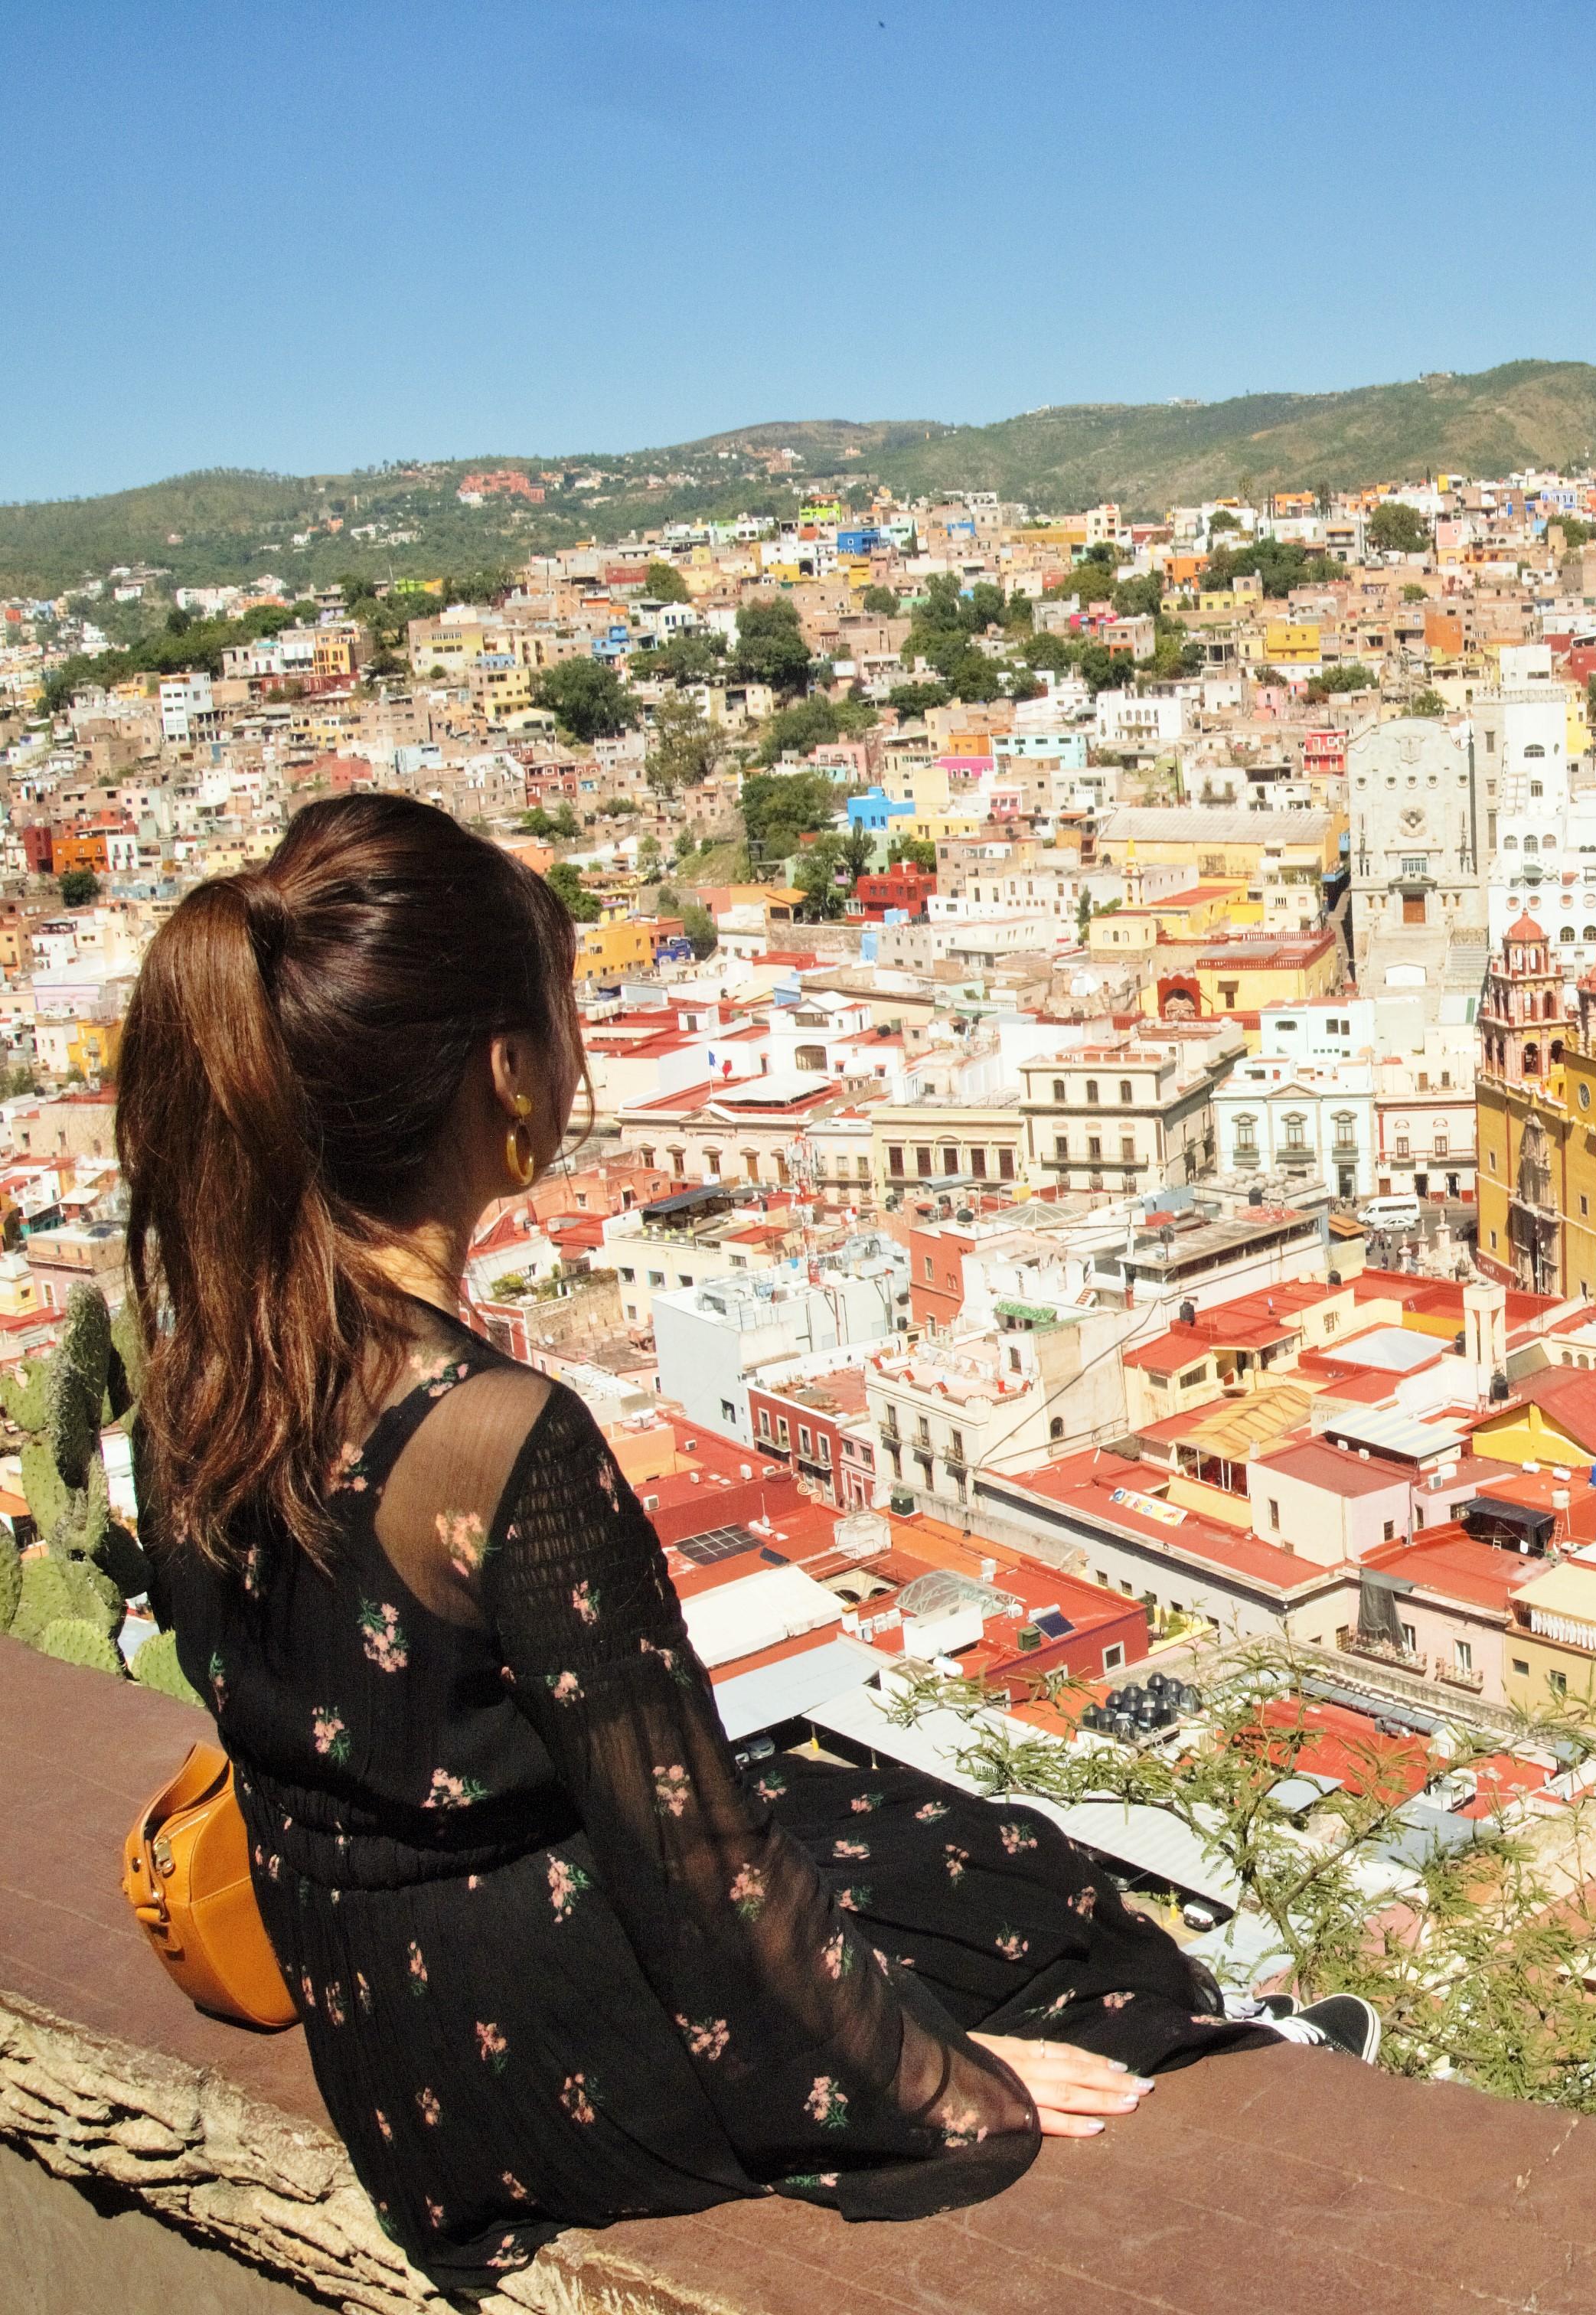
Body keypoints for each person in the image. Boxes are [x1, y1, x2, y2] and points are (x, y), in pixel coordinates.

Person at [127, 798, 1369, 2289]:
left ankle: (1213, 2018)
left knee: (890, 1829)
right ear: (503, 1072)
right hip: (533, 2052)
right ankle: (1235, 2040)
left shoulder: (199, 1371)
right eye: (564, 1008)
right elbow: (705, 1863)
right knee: (997, 1880)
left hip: (374, 2019)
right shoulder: (493, 1434)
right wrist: (952, 2089)